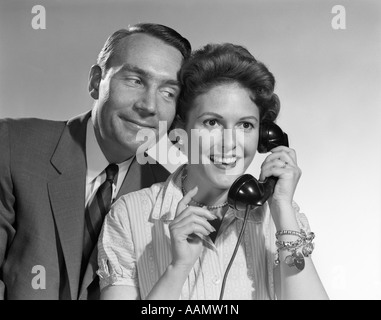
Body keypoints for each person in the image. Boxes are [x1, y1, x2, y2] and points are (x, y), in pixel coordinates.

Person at [97, 42, 329, 300]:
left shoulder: (279, 216)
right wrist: (178, 268)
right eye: (212, 122)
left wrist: (283, 207)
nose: (229, 143)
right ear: (180, 130)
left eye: (245, 125)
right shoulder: (128, 216)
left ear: (264, 136)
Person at [0, 23, 191, 300]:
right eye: (135, 80)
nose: (148, 106)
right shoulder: (12, 145)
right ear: (95, 82)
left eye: (168, 93)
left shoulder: (168, 193)